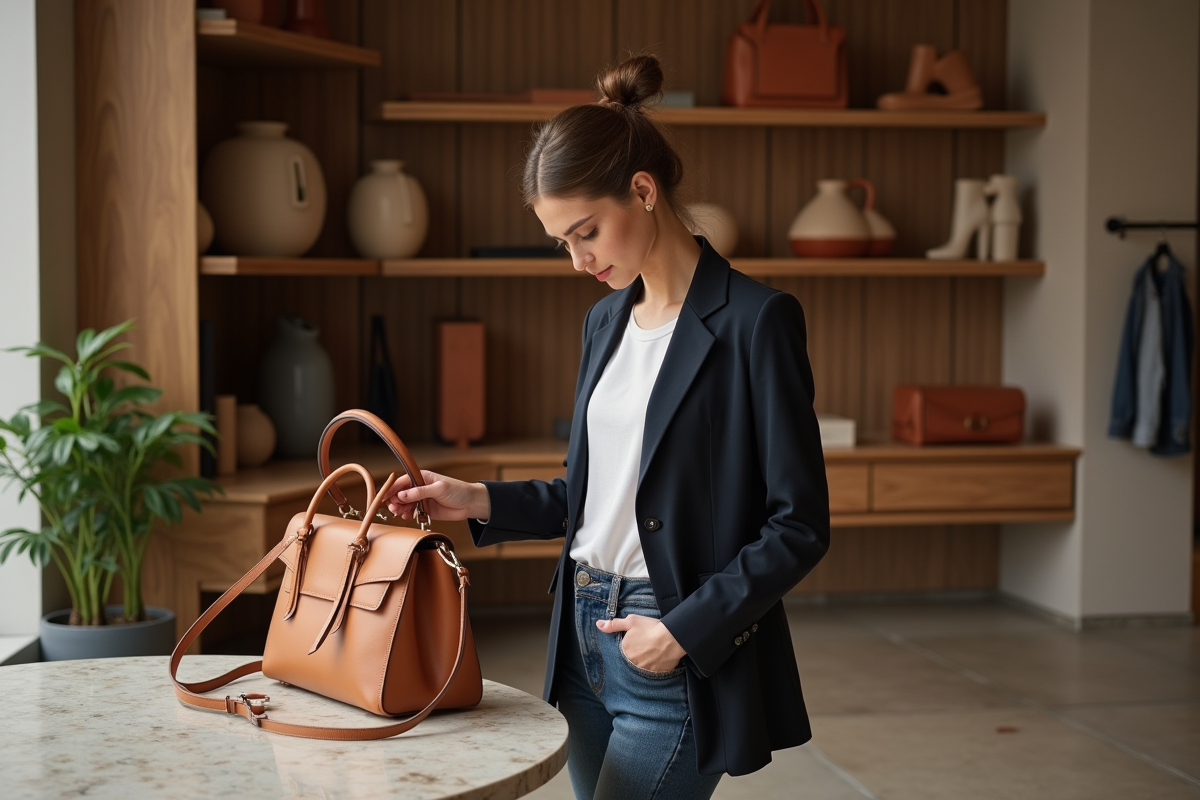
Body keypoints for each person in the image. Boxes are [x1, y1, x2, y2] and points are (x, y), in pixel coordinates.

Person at [385, 55, 830, 800]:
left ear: (644, 192)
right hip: (581, 634)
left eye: (585, 232)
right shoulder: (604, 321)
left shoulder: (757, 322)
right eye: (561, 242)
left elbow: (799, 525)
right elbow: (597, 495)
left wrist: (684, 630)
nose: (576, 259)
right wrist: (477, 500)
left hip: (672, 639)